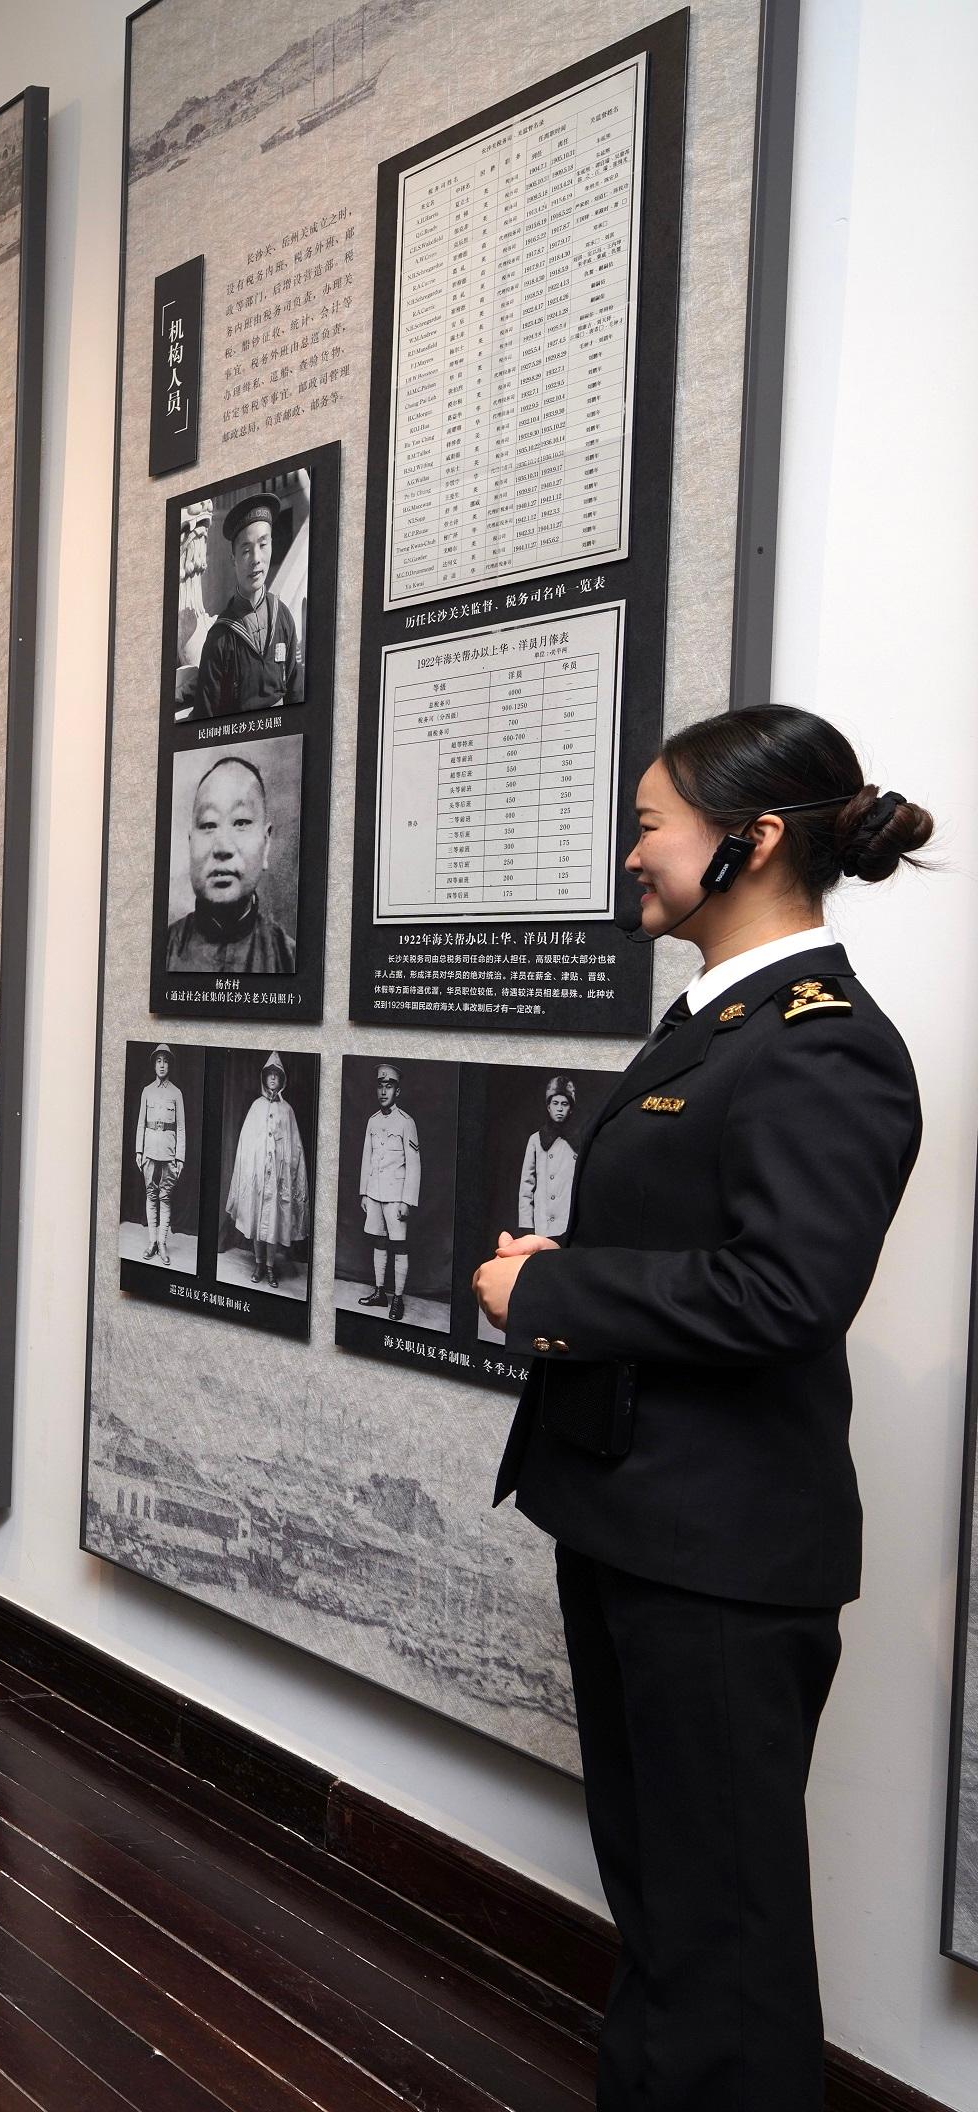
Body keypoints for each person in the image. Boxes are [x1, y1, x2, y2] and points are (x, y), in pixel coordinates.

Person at [474, 706, 929, 2110]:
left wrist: (551, 1300)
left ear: (755, 839)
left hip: (720, 1562)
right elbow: (714, 1246)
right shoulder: (727, 1025)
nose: (631, 859)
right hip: (641, 1525)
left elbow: (787, 1292)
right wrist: (582, 1265)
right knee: (673, 1916)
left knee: (720, 1946)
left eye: (650, 826)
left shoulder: (824, 1042)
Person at [163, 752, 296, 973]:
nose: (223, 847)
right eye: (208, 824)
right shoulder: (160, 952)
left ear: (266, 843)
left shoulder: (289, 959)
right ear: (190, 843)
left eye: (241, 822)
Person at [186, 490, 304, 719]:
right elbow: (205, 716)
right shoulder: (220, 637)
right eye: (246, 550)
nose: (256, 559)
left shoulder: (283, 617)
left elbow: (296, 693)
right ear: (234, 559)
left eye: (263, 545)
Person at [224, 1052, 309, 1291]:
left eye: (276, 1075)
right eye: (269, 1075)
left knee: (273, 1223)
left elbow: (295, 1147)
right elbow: (246, 1144)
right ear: (264, 1078)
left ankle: (271, 1267)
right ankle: (259, 1264)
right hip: (258, 1178)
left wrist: (288, 1170)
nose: (273, 1079)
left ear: (282, 1080)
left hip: (278, 1178)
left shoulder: (287, 1111)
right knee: (256, 1219)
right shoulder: (256, 1107)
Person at [354, 1061, 420, 1315]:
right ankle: (381, 1292)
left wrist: (407, 1200)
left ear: (397, 1092)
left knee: (399, 1245)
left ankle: (398, 1298)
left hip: (396, 1197)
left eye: (389, 1087)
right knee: (378, 1242)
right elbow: (366, 1158)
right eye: (380, 1086)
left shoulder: (406, 1122)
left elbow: (414, 1165)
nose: (384, 1092)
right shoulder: (372, 1121)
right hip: (374, 1194)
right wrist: (363, 1192)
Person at [132, 1044, 187, 1266]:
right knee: (150, 1195)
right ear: (154, 1064)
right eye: (158, 1061)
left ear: (169, 1065)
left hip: (169, 1152)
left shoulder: (176, 1093)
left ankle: (162, 1243)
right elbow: (140, 1123)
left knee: (165, 1197)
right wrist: (138, 1150)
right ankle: (152, 1242)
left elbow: (181, 1127)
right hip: (149, 1152)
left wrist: (180, 1157)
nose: (162, 1065)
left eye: (165, 1061)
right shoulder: (147, 1091)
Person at [514, 1075, 581, 1240]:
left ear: (571, 1109)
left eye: (564, 1104)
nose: (559, 1108)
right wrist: (526, 1225)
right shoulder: (536, 1140)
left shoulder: (579, 1140)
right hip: (543, 1222)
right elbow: (526, 1186)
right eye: (555, 1103)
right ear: (548, 1107)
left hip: (569, 1222)